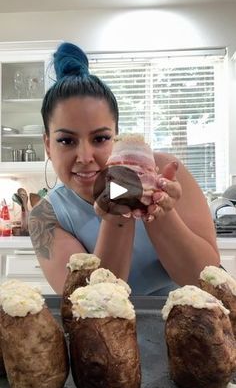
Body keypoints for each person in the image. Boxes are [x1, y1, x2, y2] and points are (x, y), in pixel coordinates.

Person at [28, 42, 220, 296]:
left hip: (190, 323)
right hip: (107, 332)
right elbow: (90, 307)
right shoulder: (46, 217)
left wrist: (158, 211)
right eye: (66, 141)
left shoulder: (164, 171)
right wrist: (118, 211)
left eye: (100, 139)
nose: (85, 157)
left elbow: (205, 280)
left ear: (116, 137)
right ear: (48, 145)